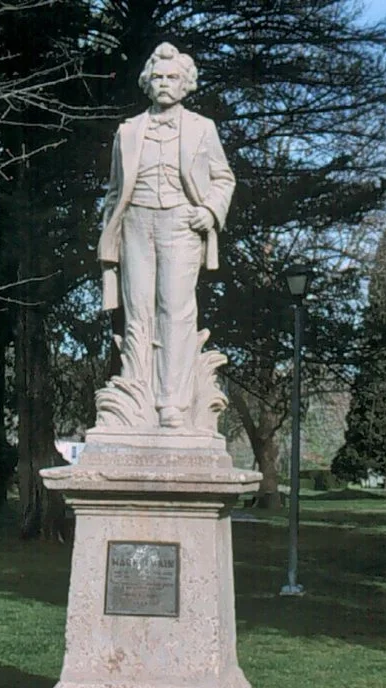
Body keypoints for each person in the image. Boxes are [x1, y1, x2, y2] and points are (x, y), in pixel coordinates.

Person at [97, 42, 235, 429]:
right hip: (136, 225)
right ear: (147, 82)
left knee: (174, 310)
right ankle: (137, 388)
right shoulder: (127, 131)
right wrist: (109, 240)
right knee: (138, 310)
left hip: (181, 224)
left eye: (172, 77)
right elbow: (113, 192)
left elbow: (224, 178)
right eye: (157, 77)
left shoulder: (202, 128)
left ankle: (172, 402)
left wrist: (209, 211)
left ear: (186, 84)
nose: (164, 83)